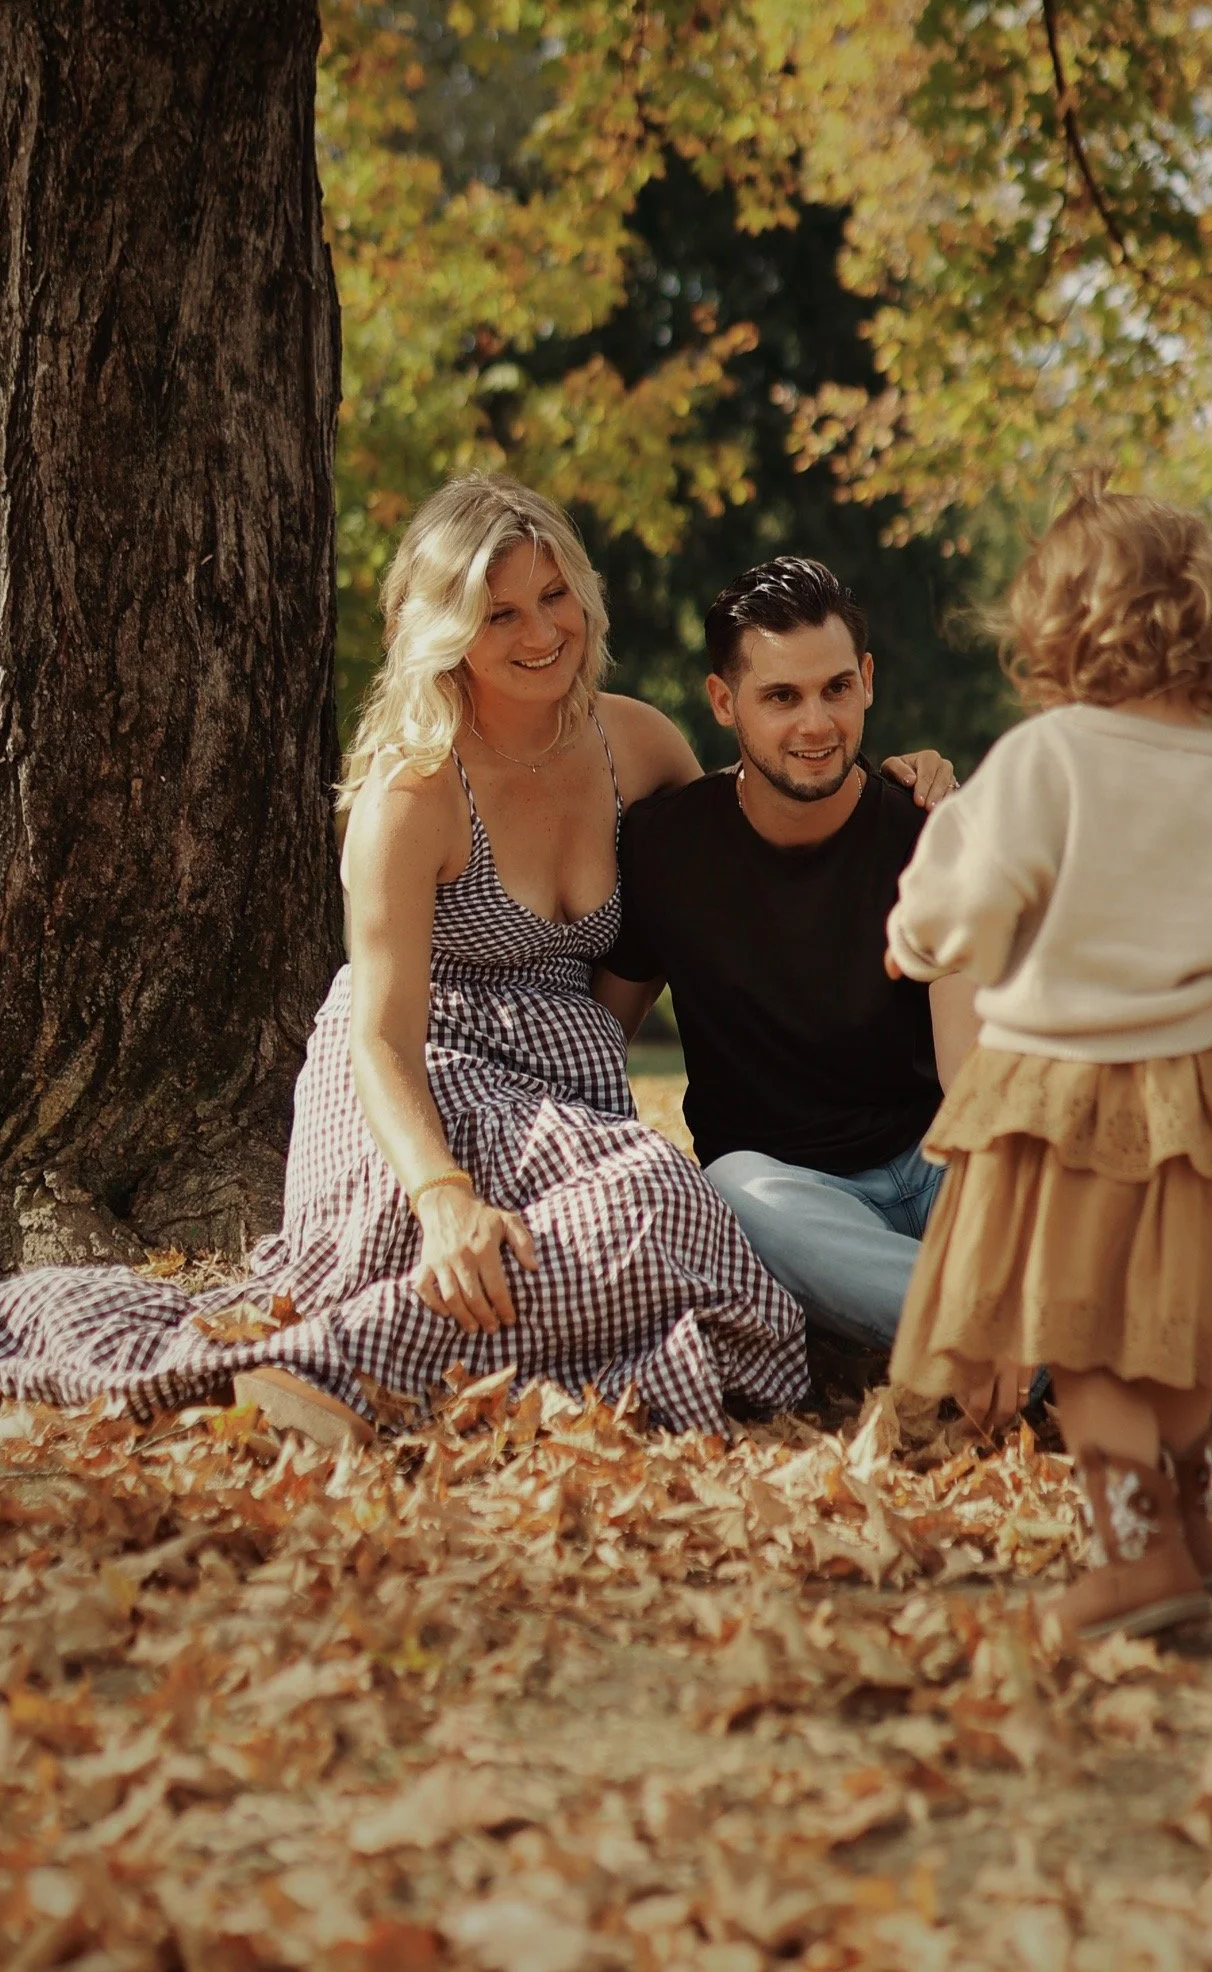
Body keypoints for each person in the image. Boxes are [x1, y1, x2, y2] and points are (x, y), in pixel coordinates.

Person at [599, 554, 1212, 1474]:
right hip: (806, 1201)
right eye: (781, 697)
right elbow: (598, 1032)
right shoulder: (667, 851)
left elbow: (974, 1074)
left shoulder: (936, 831)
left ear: (868, 683)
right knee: (736, 1190)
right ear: (723, 702)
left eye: (836, 688)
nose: (816, 723)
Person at [0, 477, 811, 1441]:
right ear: (448, 629)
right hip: (420, 1098)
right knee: (650, 1203)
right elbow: (381, 1042)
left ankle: (318, 1372)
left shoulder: (635, 744)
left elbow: (756, 829)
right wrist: (442, 1198)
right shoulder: (415, 789)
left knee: (672, 1222)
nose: (541, 630)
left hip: (561, 1109)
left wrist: (889, 785)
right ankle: (337, 1368)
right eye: (498, 611)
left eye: (553, 596)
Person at [883, 485, 1212, 1637]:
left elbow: (972, 890)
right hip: (1208, 1087)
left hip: (1065, 1091)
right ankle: (1188, 1523)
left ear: (1054, 627)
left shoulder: (1043, 760)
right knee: (1171, 1318)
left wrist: (917, 941)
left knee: (1084, 1333)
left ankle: (1134, 1546)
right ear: (1205, 623)